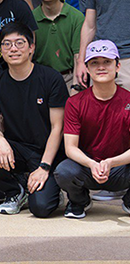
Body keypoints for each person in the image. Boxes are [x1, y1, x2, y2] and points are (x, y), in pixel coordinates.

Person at [0, 22, 68, 217]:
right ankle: (14, 191)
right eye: (7, 44)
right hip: (16, 149)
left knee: (41, 208)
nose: (13, 49)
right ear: (0, 50)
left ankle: (51, 188)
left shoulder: (50, 78)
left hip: (47, 152)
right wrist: (0, 140)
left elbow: (58, 128)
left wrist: (44, 167)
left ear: (31, 48)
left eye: (20, 43)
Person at [54, 39, 130, 218]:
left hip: (120, 168)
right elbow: (70, 147)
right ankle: (80, 201)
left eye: (107, 62)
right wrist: (92, 164)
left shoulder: (128, 100)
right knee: (63, 171)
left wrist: (111, 162)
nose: (101, 67)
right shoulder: (75, 102)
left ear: (117, 66)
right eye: (94, 63)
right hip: (88, 168)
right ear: (87, 69)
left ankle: (129, 202)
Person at [33, 0, 84, 88]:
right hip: (40, 78)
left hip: (69, 77)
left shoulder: (76, 17)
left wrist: (76, 87)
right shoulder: (30, 18)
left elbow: (78, 55)